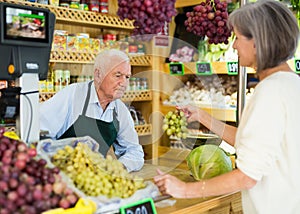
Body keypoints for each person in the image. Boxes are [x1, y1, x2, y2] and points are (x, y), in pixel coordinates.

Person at [154, 1, 300, 213]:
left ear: (257, 42)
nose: (234, 46)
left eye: (238, 38)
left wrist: (184, 189)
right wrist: (203, 117)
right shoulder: (291, 83)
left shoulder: (269, 92)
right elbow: (252, 143)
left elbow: (247, 176)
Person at [40, 49, 144, 172]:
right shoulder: (72, 95)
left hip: (94, 179)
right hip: (61, 174)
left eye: (127, 77)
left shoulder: (120, 110)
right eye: (118, 75)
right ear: (98, 74)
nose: (124, 83)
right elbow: (39, 133)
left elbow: (134, 151)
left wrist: (118, 168)